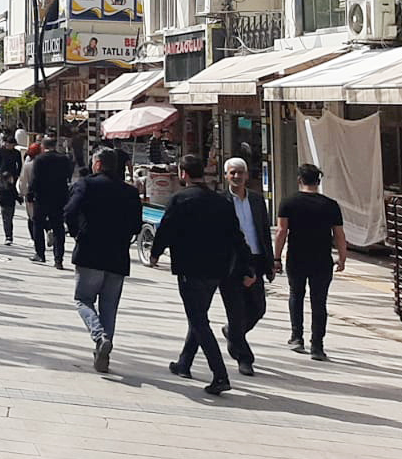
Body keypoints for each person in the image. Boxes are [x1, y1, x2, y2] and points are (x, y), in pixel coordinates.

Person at [149, 154, 255, 396]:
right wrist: (248, 265)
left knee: (198, 320)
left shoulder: (180, 199)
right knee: (198, 315)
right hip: (217, 270)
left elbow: (166, 229)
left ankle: (220, 374)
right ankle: (184, 363)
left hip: (190, 268)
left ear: (183, 173)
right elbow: (237, 237)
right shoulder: (221, 202)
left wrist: (155, 253)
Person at [64, 147, 144, 373]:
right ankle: (104, 349)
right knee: (109, 306)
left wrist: (76, 232)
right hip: (117, 256)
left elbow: (69, 211)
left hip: (90, 252)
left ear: (97, 164)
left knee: (83, 299)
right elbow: (137, 225)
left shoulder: (86, 185)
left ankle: (99, 337)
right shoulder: (130, 192)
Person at [275, 165, 347, 361]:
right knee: (319, 302)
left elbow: (281, 232)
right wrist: (342, 257)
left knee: (296, 295)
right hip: (322, 259)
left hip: (296, 257)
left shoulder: (288, 202)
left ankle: (296, 337)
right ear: (318, 181)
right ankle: (317, 345)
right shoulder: (331, 205)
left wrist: (276, 258)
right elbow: (339, 234)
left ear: (299, 180)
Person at [220, 156, 274, 375]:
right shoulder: (221, 201)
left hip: (256, 259)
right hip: (231, 263)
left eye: (240, 172)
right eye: (232, 172)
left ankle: (233, 333)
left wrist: (271, 262)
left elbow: (264, 232)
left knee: (258, 308)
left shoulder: (257, 200)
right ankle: (244, 357)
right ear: (226, 176)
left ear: (247, 176)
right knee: (236, 311)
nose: (236, 176)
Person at [28, 134, 74, 268]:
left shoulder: (39, 159)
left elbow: (35, 178)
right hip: (59, 197)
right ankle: (58, 259)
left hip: (42, 197)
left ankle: (40, 253)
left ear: (43, 146)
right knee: (58, 227)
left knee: (38, 223)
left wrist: (30, 194)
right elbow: (68, 175)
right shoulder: (64, 159)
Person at [0, 134, 23, 246]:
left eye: (11, 144)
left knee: (11, 191)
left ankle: (9, 235)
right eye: (7, 143)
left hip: (13, 174)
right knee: (6, 191)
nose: (8, 145)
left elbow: (19, 164)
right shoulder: (1, 151)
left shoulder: (16, 153)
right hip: (3, 174)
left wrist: (18, 174)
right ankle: (8, 235)